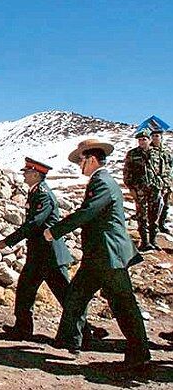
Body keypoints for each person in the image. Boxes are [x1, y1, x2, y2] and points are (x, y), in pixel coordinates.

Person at [44, 138, 150, 370]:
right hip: (98, 255)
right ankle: (71, 340)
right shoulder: (101, 180)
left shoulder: (102, 182)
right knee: (75, 296)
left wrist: (55, 231)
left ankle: (139, 353)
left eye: (80, 161)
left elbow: (87, 212)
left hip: (108, 254)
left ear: (91, 159)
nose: (78, 166)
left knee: (122, 304)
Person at [0, 158, 79, 340]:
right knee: (25, 290)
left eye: (27, 172)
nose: (24, 175)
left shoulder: (43, 194)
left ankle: (85, 332)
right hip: (39, 254)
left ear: (35, 174)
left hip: (50, 255)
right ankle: (23, 329)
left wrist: (9, 241)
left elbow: (34, 223)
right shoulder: (35, 192)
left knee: (65, 295)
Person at [123, 129, 162, 250]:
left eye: (144, 139)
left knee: (154, 216)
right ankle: (144, 242)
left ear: (149, 140)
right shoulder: (132, 154)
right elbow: (127, 172)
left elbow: (163, 170)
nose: (141, 142)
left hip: (154, 188)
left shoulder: (157, 153)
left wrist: (163, 185)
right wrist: (131, 188)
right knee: (141, 216)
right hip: (139, 189)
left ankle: (153, 241)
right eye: (139, 140)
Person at [151, 127, 172, 235]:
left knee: (165, 205)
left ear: (161, 137)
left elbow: (170, 167)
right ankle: (152, 226)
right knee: (154, 206)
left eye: (157, 136)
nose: (155, 138)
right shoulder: (149, 151)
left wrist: (169, 181)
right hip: (154, 183)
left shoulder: (167, 152)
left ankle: (162, 224)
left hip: (166, 182)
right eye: (153, 136)